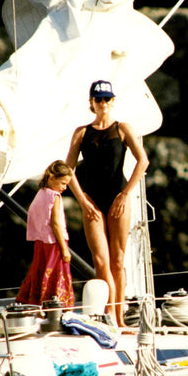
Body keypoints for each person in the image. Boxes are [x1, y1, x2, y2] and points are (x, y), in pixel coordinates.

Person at [65, 79, 149, 327]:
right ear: (91, 103)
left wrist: (126, 194)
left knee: (118, 260)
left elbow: (142, 161)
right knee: (100, 261)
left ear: (113, 102)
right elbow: (68, 168)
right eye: (98, 99)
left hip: (117, 197)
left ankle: (119, 318)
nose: (103, 103)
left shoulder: (123, 129)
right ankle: (109, 316)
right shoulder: (81, 132)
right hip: (91, 200)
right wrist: (81, 199)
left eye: (107, 99)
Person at [17, 160, 75, 307]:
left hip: (41, 241)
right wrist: (64, 249)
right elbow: (55, 223)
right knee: (57, 273)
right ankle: (57, 304)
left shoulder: (41, 193)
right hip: (54, 242)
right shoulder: (54, 196)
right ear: (51, 178)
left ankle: (36, 301)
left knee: (40, 271)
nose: (65, 187)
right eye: (63, 183)